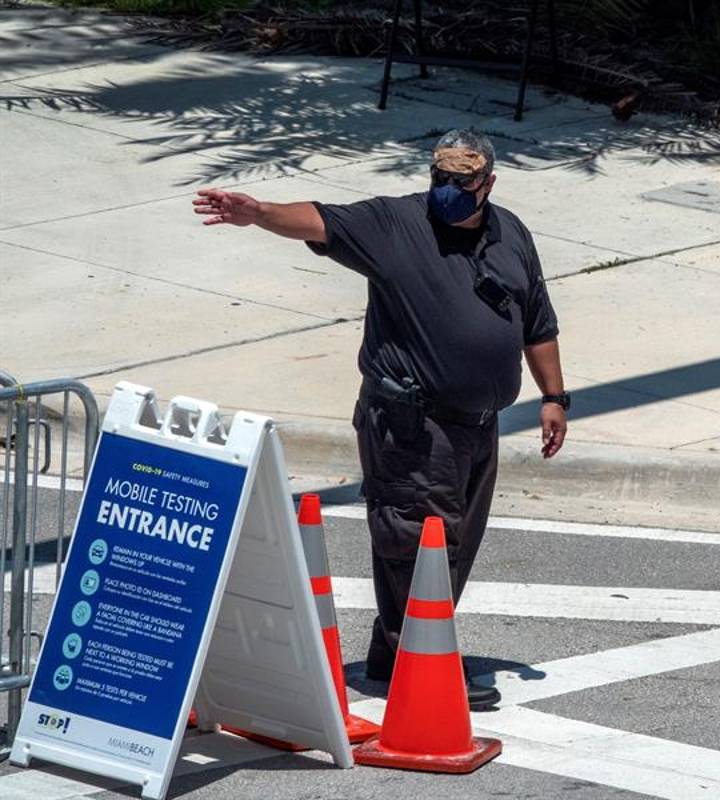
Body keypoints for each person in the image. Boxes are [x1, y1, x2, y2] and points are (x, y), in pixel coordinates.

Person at [192, 130, 570, 710]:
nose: (448, 190)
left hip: (478, 424)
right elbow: (320, 221)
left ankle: (398, 653)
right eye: (440, 178)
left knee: (454, 543)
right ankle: (418, 663)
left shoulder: (510, 232)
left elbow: (536, 320)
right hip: (412, 423)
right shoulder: (396, 226)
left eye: (461, 182)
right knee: (419, 542)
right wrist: (259, 212)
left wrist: (554, 396)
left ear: (486, 184)